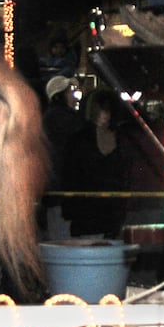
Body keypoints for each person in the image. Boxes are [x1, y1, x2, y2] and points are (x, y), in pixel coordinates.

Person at [61, 89, 131, 238]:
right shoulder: (78, 140)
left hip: (114, 218)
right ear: (92, 111)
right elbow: (69, 177)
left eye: (108, 110)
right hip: (86, 217)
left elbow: (127, 176)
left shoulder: (123, 139)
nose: (105, 115)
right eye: (100, 110)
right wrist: (70, 210)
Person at [41, 74, 83, 240]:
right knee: (62, 239)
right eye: (69, 91)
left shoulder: (49, 117)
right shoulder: (64, 119)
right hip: (63, 189)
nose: (73, 95)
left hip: (55, 189)